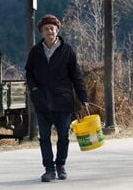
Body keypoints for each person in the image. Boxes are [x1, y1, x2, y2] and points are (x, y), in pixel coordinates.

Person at [25, 13, 89, 182]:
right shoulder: (35, 51)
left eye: (52, 29)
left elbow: (77, 76)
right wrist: (34, 88)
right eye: (46, 29)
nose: (49, 32)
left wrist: (83, 98)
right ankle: (49, 169)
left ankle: (60, 166)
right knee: (44, 137)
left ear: (57, 30)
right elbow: (29, 72)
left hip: (63, 101)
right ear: (41, 32)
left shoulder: (67, 50)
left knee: (63, 137)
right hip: (42, 102)